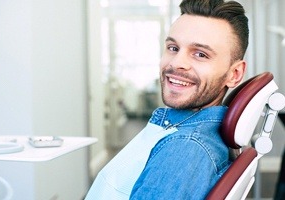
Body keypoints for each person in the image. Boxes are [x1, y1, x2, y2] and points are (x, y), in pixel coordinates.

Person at [85, 0, 249, 199]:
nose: (177, 63)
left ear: (234, 74)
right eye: (173, 48)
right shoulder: (183, 134)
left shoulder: (185, 149)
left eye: (200, 54)